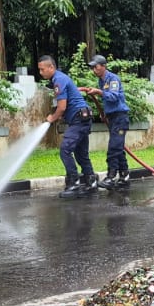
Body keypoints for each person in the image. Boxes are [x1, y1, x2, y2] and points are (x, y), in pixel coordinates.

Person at [38, 55, 97, 198]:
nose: (40, 72)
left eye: (42, 69)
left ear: (51, 67)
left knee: (65, 150)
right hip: (83, 118)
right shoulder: (59, 78)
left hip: (79, 119)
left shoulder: (59, 79)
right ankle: (91, 182)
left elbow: (62, 107)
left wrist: (52, 118)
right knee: (81, 154)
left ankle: (74, 183)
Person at [81, 54, 132, 191]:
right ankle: (124, 175)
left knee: (114, 148)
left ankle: (111, 177)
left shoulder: (113, 79)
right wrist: (105, 114)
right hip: (113, 118)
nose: (94, 70)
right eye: (92, 68)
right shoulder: (101, 81)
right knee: (118, 148)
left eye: (96, 67)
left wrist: (99, 92)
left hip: (120, 118)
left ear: (103, 66)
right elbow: (107, 101)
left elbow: (114, 97)